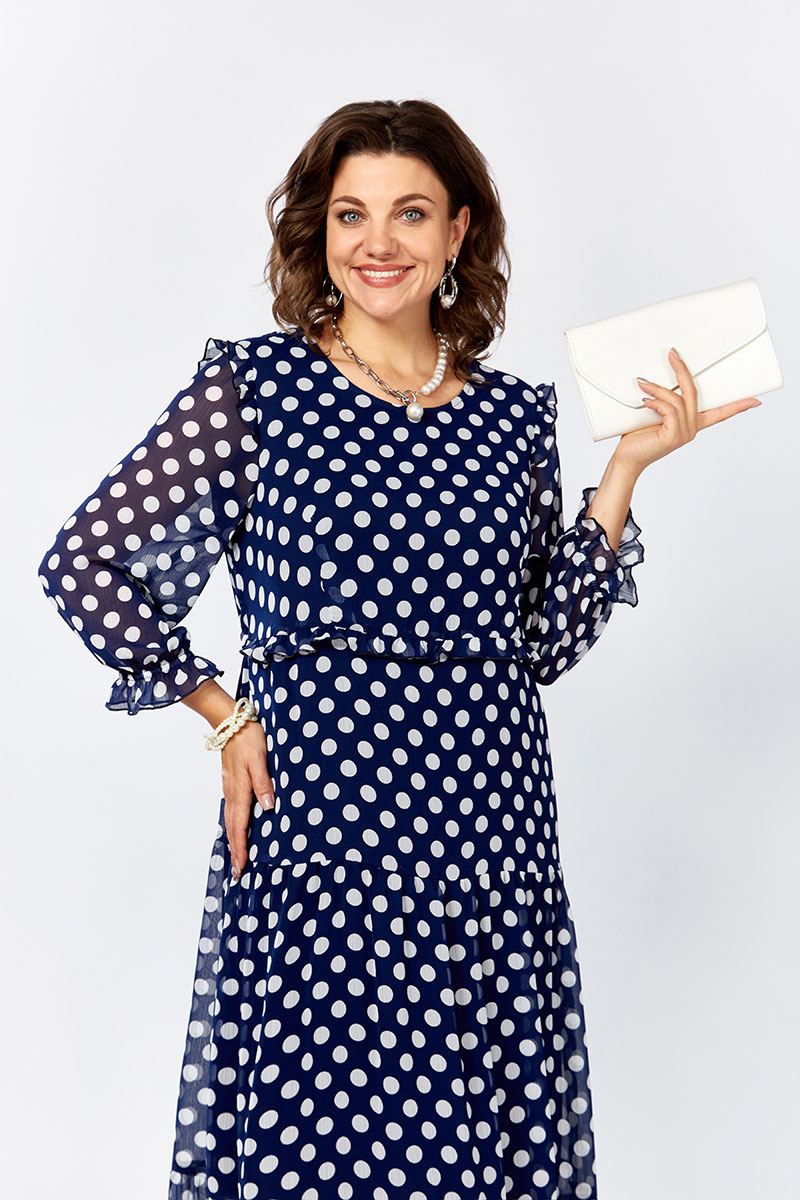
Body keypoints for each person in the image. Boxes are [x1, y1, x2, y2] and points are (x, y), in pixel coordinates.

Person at [36, 98, 761, 1200]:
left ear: (458, 231)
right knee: (326, 1130)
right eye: (351, 214)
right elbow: (85, 562)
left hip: (490, 822)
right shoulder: (255, 391)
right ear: (319, 233)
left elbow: (539, 644)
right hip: (329, 815)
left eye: (410, 213)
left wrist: (621, 474)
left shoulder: (513, 418)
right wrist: (221, 713)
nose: (378, 242)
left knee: (482, 1128)